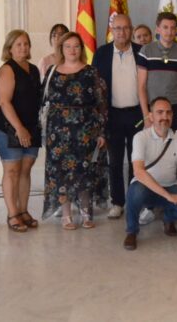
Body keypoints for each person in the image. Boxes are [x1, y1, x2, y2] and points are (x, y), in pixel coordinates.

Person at [42, 32, 108, 230]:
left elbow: (102, 103)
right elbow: (43, 101)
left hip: (86, 131)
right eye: (68, 46)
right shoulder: (52, 71)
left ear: (81, 49)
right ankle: (66, 215)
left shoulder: (90, 72)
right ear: (61, 49)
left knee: (85, 171)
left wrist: (102, 132)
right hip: (58, 133)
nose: (72, 50)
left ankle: (87, 213)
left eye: (76, 46)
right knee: (62, 173)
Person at [123, 96, 177, 251]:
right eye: (159, 112)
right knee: (135, 191)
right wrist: (169, 197)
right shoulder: (140, 137)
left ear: (172, 115)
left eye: (168, 113)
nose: (164, 117)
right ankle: (132, 231)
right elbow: (138, 172)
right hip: (146, 188)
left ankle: (168, 218)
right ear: (151, 116)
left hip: (171, 186)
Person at [0, 29, 42, 233]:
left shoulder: (34, 69)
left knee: (25, 170)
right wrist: (19, 129)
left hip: (31, 127)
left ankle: (23, 210)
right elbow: (3, 101)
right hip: (8, 128)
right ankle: (12, 213)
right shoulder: (7, 70)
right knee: (12, 171)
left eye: (26, 43)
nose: (23, 47)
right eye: (18, 44)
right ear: (9, 48)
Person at [93, 14, 144, 219]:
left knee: (136, 160)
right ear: (111, 31)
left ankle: (135, 200)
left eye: (125, 28)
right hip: (112, 115)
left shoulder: (142, 52)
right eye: (117, 28)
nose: (121, 32)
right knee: (114, 161)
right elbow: (96, 87)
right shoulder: (102, 53)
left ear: (131, 30)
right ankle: (117, 202)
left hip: (137, 114)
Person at [138, 12, 177, 136]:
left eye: (173, 28)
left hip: (176, 109)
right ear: (158, 29)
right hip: (153, 110)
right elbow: (141, 86)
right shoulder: (146, 50)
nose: (169, 31)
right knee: (153, 151)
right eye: (165, 27)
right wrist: (146, 116)